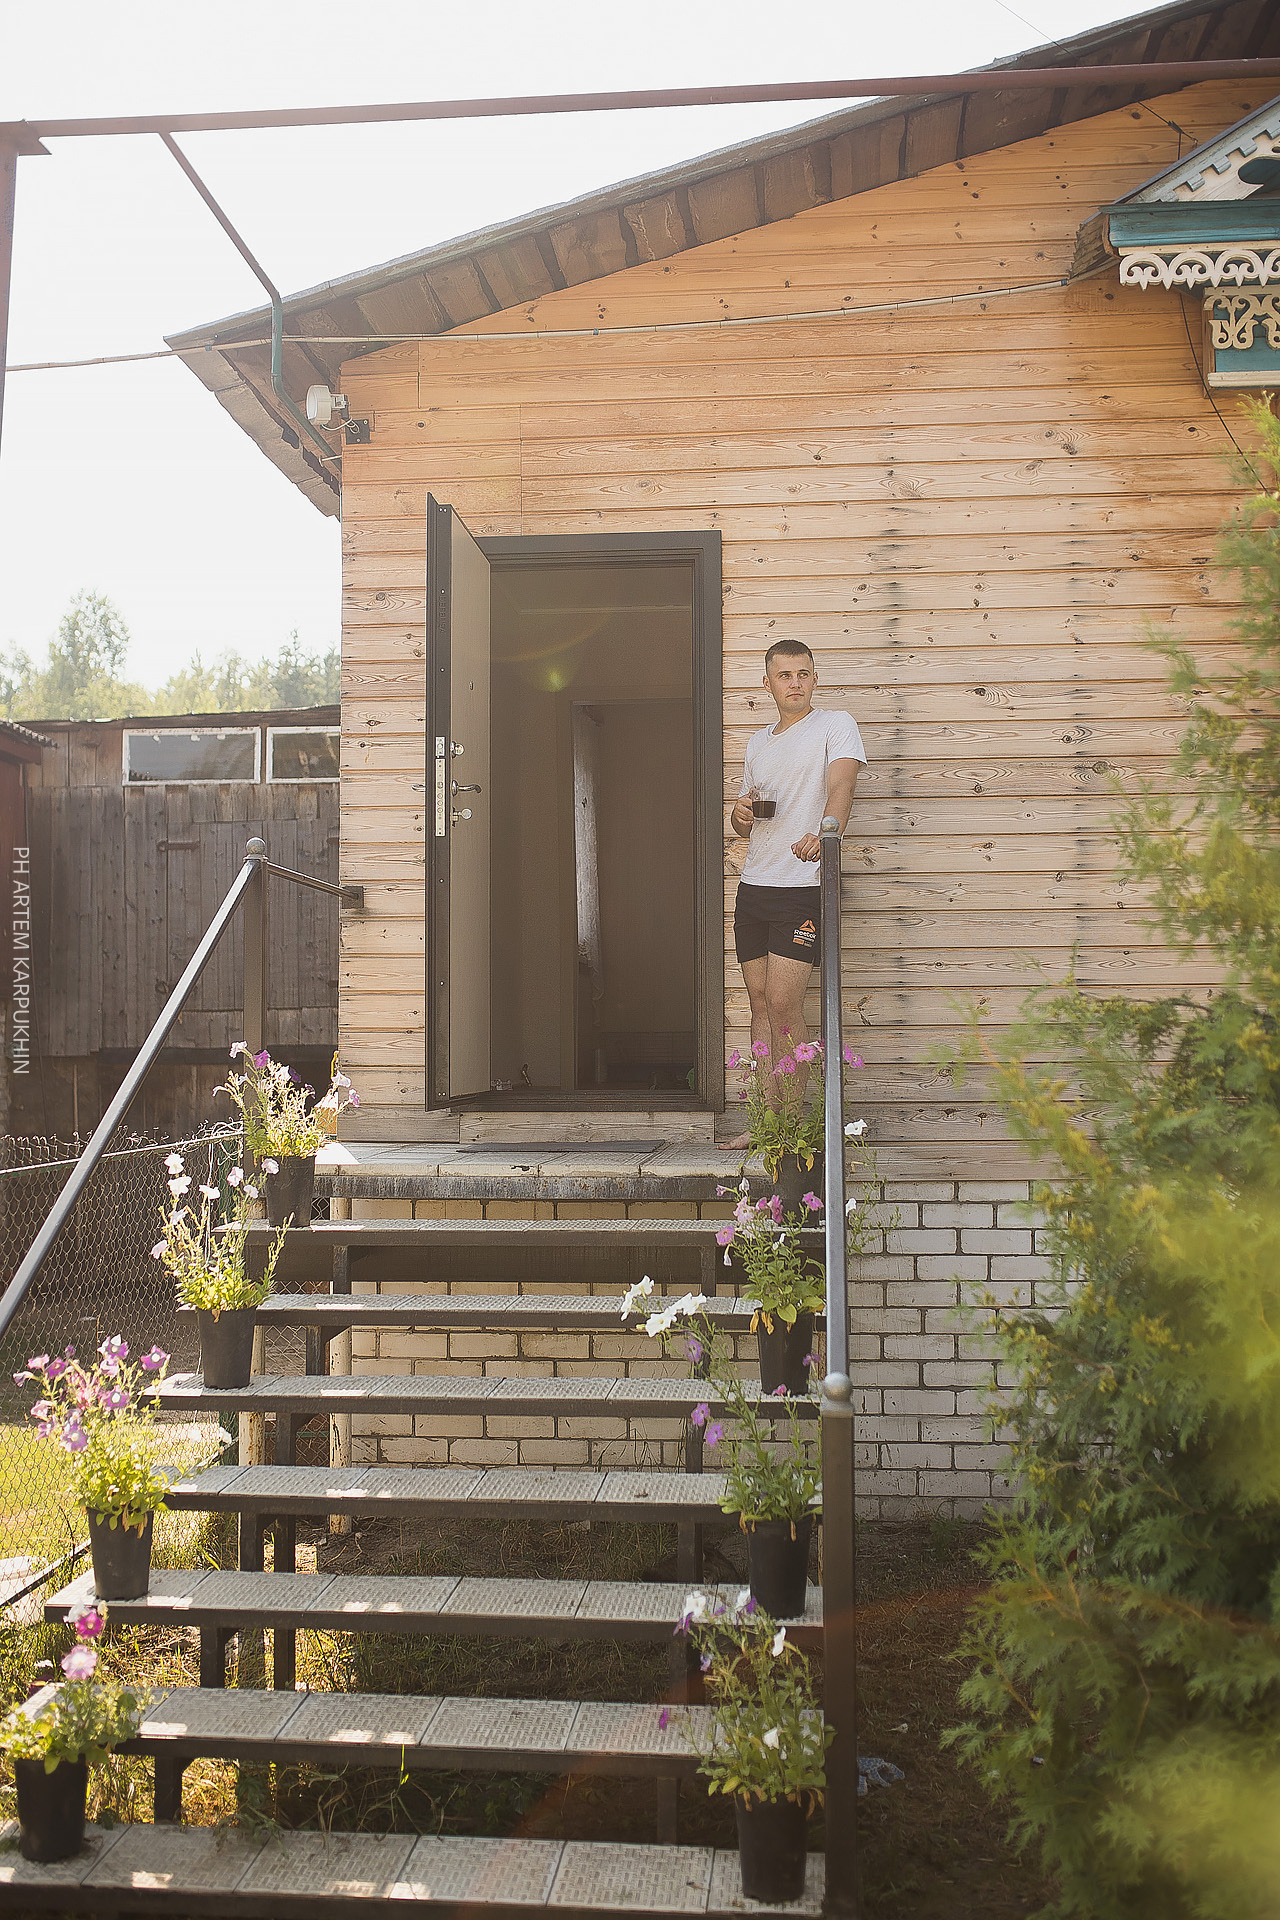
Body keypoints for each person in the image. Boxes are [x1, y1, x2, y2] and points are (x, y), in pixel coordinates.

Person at [724, 638, 866, 1148]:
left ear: (814, 678)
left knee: (785, 1004)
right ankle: (766, 1124)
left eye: (803, 673)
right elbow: (746, 821)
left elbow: (842, 787)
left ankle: (789, 1124)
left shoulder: (835, 725)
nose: (795, 683)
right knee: (760, 1004)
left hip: (801, 886)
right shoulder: (757, 743)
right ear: (768, 683)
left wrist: (827, 832)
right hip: (754, 886)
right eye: (785, 675)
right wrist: (738, 814)